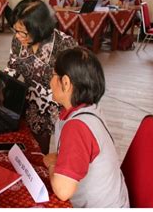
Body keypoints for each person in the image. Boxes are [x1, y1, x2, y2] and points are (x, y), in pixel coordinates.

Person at [44, 47, 129, 208]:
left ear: (66, 83)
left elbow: (63, 191)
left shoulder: (76, 127)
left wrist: (51, 164)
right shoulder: (89, 110)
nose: (50, 81)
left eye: (53, 75)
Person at [5, 0, 77, 154]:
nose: (17, 36)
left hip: (57, 104)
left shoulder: (64, 45)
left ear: (39, 28)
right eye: (15, 30)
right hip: (29, 97)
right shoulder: (18, 40)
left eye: (22, 32)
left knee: (42, 150)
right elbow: (12, 67)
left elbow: (73, 85)